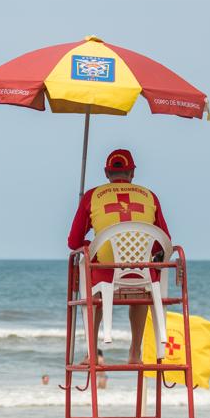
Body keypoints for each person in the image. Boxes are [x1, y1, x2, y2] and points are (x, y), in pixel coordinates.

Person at [67, 149, 171, 364]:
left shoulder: (92, 196)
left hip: (105, 274)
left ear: (106, 173)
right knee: (143, 276)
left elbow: (73, 242)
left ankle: (92, 353)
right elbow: (164, 240)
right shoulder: (149, 196)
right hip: (142, 275)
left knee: (92, 279)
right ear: (132, 173)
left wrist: (92, 246)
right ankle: (135, 353)